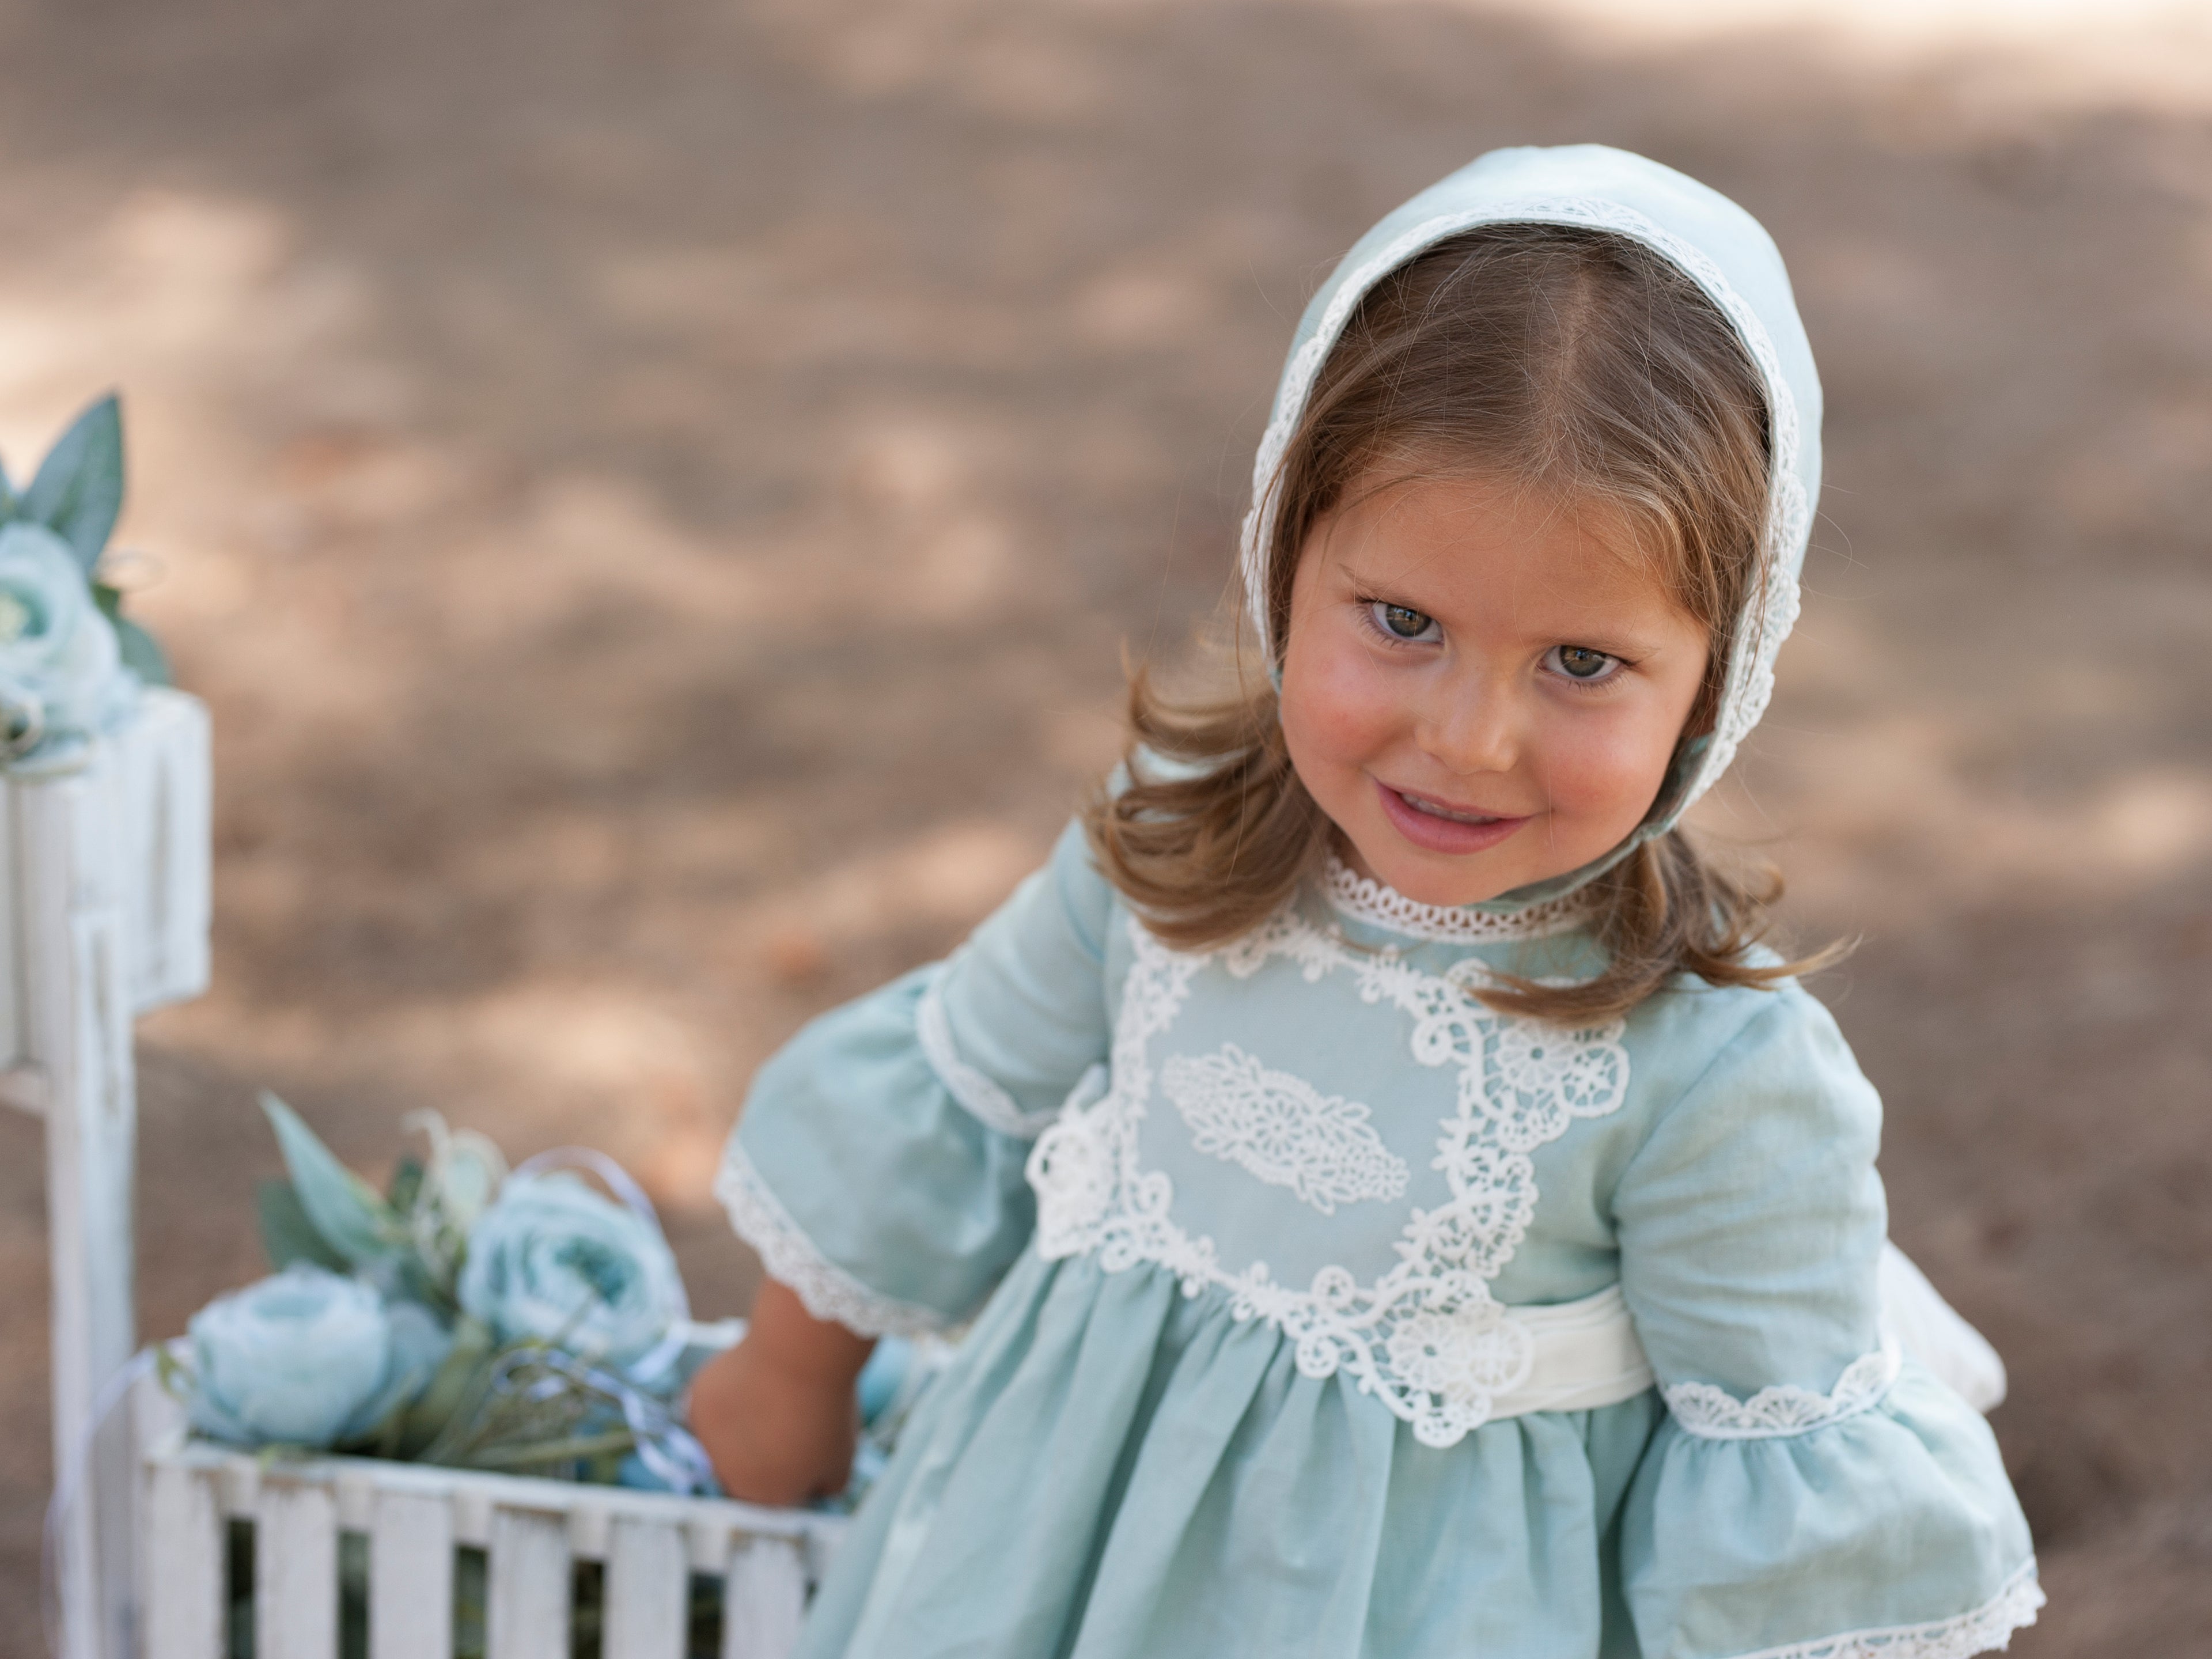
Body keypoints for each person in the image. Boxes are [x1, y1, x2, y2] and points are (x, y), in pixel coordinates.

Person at [685, 145, 2040, 1659]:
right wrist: (789, 1375)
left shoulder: (1711, 1066)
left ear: (1711, 686)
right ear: (1285, 562)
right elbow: (954, 1100)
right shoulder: (1169, 851)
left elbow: (1789, 1479)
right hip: (1042, 1578)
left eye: (1583, 664)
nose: (1469, 738)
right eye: (1402, 623)